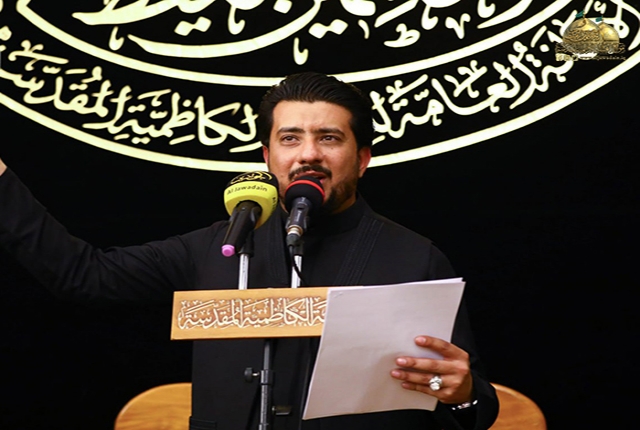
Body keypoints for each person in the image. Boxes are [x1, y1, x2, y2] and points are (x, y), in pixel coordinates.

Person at [0, 72, 498, 429]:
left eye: (329, 138)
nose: (308, 154)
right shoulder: (221, 244)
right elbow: (84, 276)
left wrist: (461, 393)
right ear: (267, 156)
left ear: (362, 158)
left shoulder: (415, 258)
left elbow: (476, 404)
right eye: (290, 138)